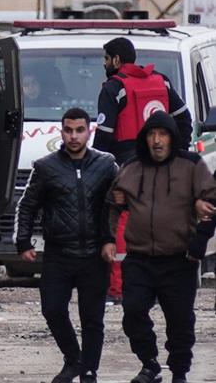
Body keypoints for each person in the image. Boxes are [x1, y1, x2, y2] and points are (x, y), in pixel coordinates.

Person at [102, 111, 216, 383]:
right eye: (152, 135)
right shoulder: (131, 167)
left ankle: (179, 372)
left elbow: (211, 203)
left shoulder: (191, 165)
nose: (156, 141)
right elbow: (111, 205)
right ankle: (150, 364)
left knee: (180, 322)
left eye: (162, 134)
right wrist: (108, 238)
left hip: (179, 259)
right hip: (139, 259)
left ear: (171, 137)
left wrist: (199, 242)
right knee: (133, 312)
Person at [15, 107, 118, 383]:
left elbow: (118, 202)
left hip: (95, 254)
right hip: (59, 254)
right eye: (69, 130)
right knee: (52, 309)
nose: (74, 136)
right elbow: (27, 206)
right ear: (62, 132)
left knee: (92, 318)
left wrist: (110, 239)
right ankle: (74, 359)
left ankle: (89, 372)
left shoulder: (106, 165)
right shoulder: (46, 166)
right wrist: (23, 241)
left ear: (89, 131)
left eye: (80, 130)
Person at [92, 37, 192, 304]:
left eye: (105, 59)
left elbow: (103, 136)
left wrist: (95, 167)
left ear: (115, 60)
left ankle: (119, 287)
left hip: (126, 166)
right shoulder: (162, 81)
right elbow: (184, 118)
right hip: (162, 167)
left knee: (119, 224)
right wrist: (176, 152)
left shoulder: (114, 88)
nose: (104, 64)